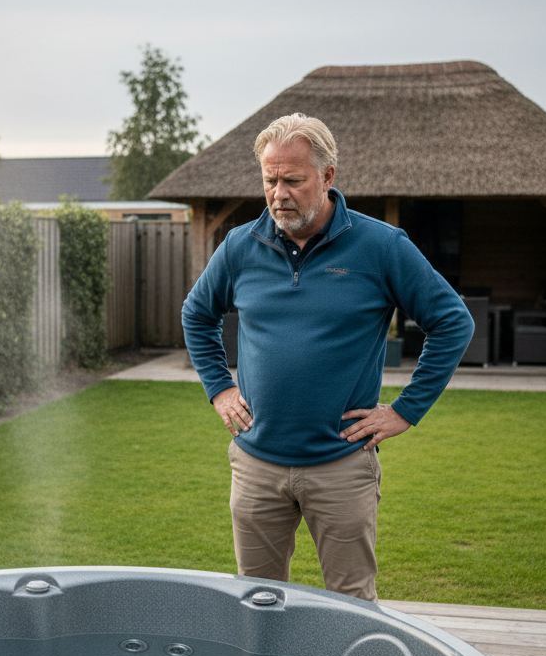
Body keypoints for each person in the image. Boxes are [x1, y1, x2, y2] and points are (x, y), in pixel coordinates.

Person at [181, 113, 473, 601]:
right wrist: (220, 387)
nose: (279, 194)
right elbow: (196, 314)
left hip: (341, 465)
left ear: (328, 176)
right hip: (256, 464)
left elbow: (453, 322)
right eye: (270, 180)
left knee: (352, 605)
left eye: (293, 180)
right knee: (256, 603)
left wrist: (405, 410)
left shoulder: (381, 247)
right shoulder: (239, 246)